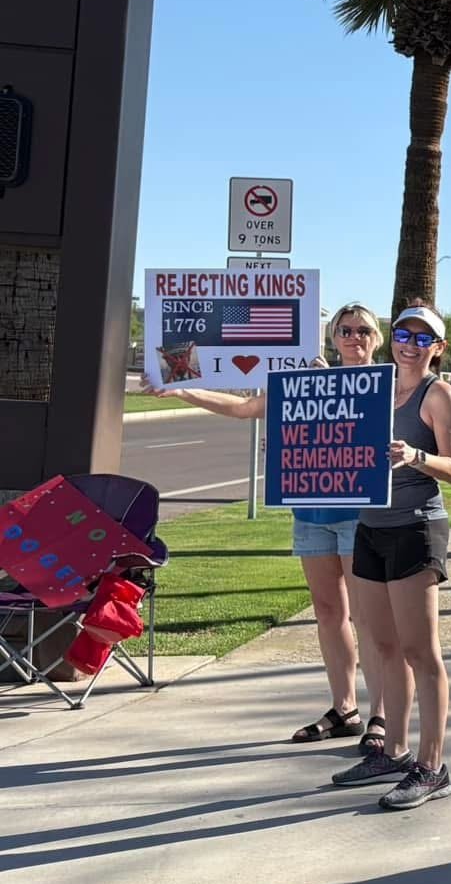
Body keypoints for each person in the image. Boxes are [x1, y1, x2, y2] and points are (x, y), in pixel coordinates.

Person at [144, 301, 388, 750]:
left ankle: (381, 715)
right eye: (346, 330)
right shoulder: (303, 382)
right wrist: (180, 390)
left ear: (377, 338)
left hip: (360, 515)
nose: (355, 337)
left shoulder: (386, 387)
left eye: (364, 330)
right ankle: (345, 708)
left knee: (368, 617)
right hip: (311, 514)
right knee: (328, 613)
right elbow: (243, 409)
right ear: (333, 338)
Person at [331, 303, 451, 809]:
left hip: (415, 528)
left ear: (438, 347)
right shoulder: (376, 387)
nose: (410, 342)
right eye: (403, 333)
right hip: (370, 526)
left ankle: (433, 767)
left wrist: (416, 456)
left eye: (423, 336)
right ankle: (393, 751)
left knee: (420, 652)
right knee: (383, 646)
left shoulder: (440, 396)